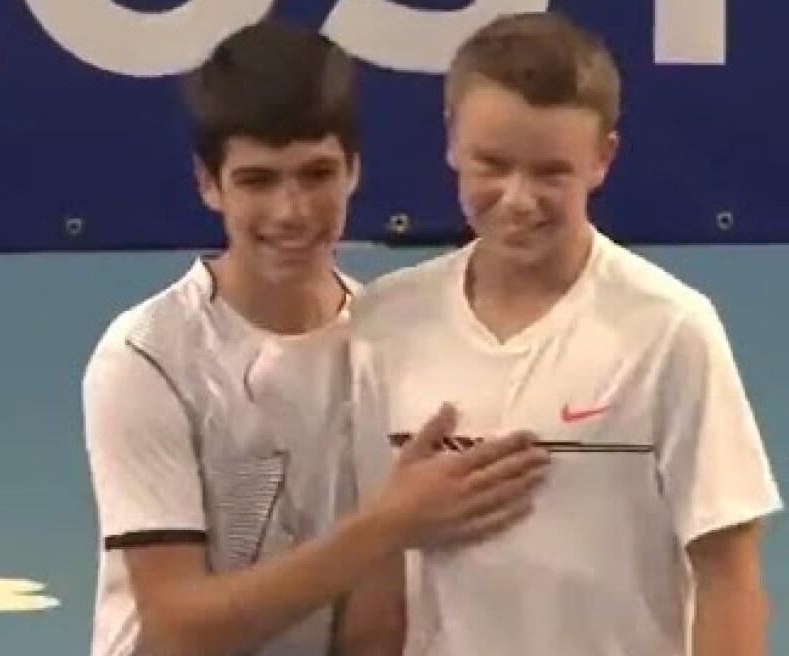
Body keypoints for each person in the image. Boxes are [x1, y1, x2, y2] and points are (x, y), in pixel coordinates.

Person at [80, 18, 550, 656]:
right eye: (258, 180)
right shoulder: (147, 359)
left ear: (353, 170)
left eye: (316, 174)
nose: (291, 211)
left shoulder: (394, 346)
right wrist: (390, 526)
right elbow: (177, 630)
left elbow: (375, 627)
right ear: (208, 183)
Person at [350, 11, 784, 656]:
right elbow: (374, 578)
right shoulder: (382, 323)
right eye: (491, 164)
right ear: (450, 141)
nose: (519, 198)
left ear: (602, 158)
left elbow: (729, 578)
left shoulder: (669, 329)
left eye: (550, 172)